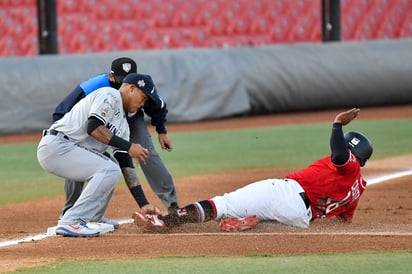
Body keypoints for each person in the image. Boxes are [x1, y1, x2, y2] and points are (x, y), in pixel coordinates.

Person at [133, 108, 373, 231]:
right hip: (300, 218)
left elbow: (341, 155)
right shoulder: (357, 188)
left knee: (223, 203)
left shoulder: (349, 165)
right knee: (262, 216)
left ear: (356, 156)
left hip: (287, 193)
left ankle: (164, 222)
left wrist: (337, 125)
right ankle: (249, 223)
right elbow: (342, 222)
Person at [53, 57, 179, 227]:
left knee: (145, 153)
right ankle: (71, 212)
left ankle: (172, 204)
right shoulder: (97, 87)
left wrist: (161, 131)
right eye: (119, 81)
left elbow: (158, 107)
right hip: (97, 120)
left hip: (129, 121)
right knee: (81, 153)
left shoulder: (139, 91)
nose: (123, 85)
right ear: (111, 77)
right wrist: (63, 137)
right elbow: (63, 111)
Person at [37, 73, 163, 237]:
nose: (143, 104)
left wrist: (143, 203)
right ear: (132, 88)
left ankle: (93, 218)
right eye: (144, 97)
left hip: (70, 148)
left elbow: (125, 164)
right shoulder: (110, 95)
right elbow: (94, 127)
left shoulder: (123, 124)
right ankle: (72, 221)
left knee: (113, 165)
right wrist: (130, 146)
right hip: (57, 146)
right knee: (109, 169)